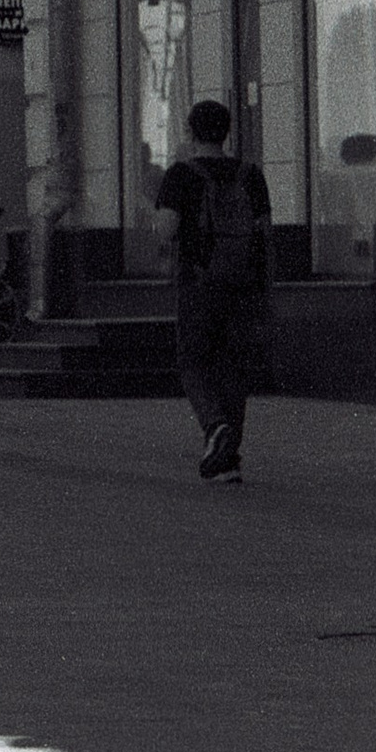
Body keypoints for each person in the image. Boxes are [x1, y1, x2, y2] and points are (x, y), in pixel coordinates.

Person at [155, 98, 272, 483]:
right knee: (233, 368)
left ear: (190, 131)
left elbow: (166, 230)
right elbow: (264, 232)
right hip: (242, 284)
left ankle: (214, 426)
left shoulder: (180, 175)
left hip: (198, 283)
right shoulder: (251, 174)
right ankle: (229, 459)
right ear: (227, 132)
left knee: (193, 362)